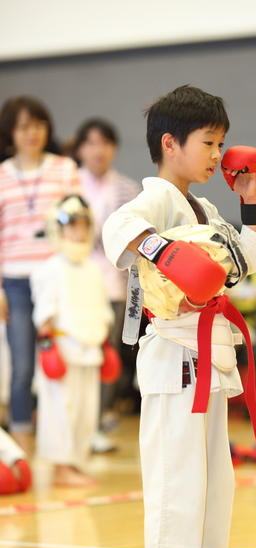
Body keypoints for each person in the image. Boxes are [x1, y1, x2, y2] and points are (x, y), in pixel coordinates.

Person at [102, 85, 256, 548]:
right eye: (208, 142)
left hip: (206, 355)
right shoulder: (155, 197)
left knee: (212, 479)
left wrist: (254, 203)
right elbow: (119, 227)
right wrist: (166, 252)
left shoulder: (200, 205)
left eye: (221, 143)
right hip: (173, 355)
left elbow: (239, 258)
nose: (217, 155)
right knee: (176, 476)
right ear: (170, 143)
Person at [0, 96, 81, 455]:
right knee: (21, 368)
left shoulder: (65, 169)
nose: (30, 133)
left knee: (62, 362)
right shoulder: (1, 175)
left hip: (57, 280)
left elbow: (79, 224)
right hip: (14, 282)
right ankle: (22, 448)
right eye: (22, 126)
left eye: (37, 124)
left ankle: (62, 449)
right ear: (10, 132)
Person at [31, 195, 113, 486]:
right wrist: (47, 347)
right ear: (57, 229)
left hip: (89, 348)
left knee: (85, 409)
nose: (77, 233)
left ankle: (76, 461)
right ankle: (60, 467)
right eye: (71, 227)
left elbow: (102, 309)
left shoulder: (93, 268)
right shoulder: (50, 268)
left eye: (82, 226)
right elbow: (44, 312)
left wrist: (105, 344)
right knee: (60, 409)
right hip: (63, 348)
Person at [73, 118, 140, 452]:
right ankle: (72, 426)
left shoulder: (128, 189)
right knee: (74, 357)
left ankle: (99, 421)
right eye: (91, 143)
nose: (98, 150)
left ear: (113, 148)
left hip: (114, 286)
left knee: (106, 356)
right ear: (80, 148)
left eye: (105, 143)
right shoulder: (69, 185)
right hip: (75, 287)